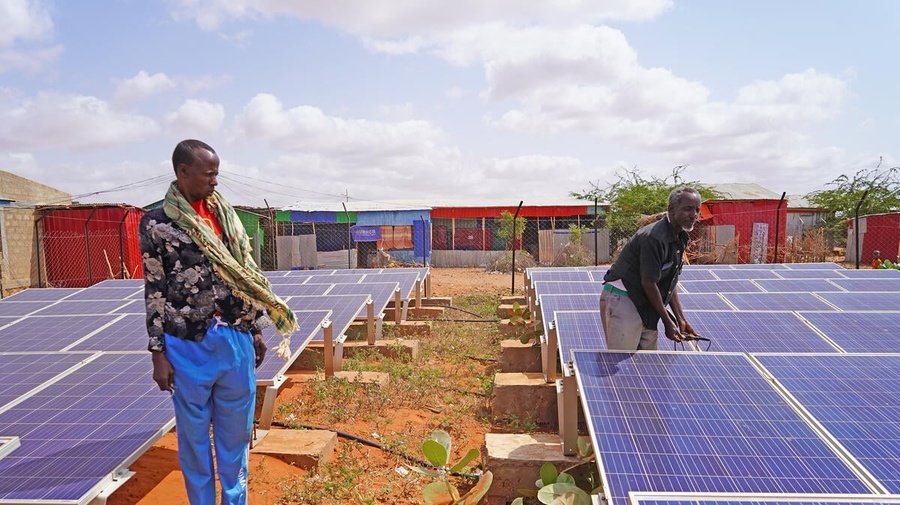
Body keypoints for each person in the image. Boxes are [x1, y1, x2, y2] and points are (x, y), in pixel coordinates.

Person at [140, 139, 297, 505]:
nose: (215, 181)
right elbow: (154, 288)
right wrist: (157, 352)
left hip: (235, 340)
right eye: (209, 174)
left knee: (235, 438)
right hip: (187, 344)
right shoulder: (157, 223)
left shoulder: (225, 217)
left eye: (216, 174)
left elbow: (242, 275)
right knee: (194, 443)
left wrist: (256, 327)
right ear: (183, 172)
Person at [600, 186, 700, 350]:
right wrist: (667, 322)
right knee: (622, 363)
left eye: (697, 210)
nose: (694, 215)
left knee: (645, 365)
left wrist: (680, 319)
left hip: (647, 302)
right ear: (671, 209)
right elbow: (649, 282)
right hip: (625, 298)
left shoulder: (680, 237)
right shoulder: (653, 237)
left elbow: (669, 282)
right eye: (688, 209)